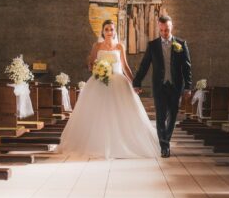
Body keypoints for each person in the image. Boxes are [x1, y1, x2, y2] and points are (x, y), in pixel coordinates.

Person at [56, 19, 159, 159]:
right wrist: (97, 68)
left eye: (111, 29)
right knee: (99, 114)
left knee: (122, 113)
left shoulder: (120, 47)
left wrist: (135, 83)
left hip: (118, 82)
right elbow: (90, 64)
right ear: (103, 32)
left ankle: (122, 143)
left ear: (115, 31)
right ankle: (98, 144)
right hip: (100, 82)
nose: (109, 32)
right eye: (107, 29)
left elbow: (125, 67)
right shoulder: (97, 46)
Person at [133, 15, 193, 158]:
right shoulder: (153, 45)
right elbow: (144, 65)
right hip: (159, 86)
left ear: (171, 27)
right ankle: (164, 146)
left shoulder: (181, 44)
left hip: (175, 86)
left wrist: (188, 87)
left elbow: (187, 67)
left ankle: (165, 140)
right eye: (162, 30)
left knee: (172, 116)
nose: (164, 33)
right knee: (160, 117)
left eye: (167, 30)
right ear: (159, 28)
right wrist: (137, 82)